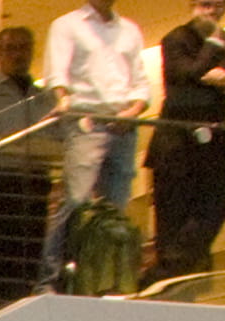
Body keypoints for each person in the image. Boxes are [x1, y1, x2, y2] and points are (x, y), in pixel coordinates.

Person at [149, 0, 225, 279]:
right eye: (206, 4)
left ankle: (168, 269)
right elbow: (184, 75)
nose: (212, 11)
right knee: (173, 215)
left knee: (217, 203)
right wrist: (212, 42)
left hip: (215, 140)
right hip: (176, 142)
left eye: (219, 5)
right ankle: (167, 274)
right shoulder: (175, 38)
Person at [0, 21, 70, 304]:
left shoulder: (46, 96)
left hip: (35, 182)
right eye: (10, 48)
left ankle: (21, 310)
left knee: (31, 254)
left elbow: (60, 138)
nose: (17, 54)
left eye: (24, 48)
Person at [49, 0, 159, 255]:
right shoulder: (67, 25)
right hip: (86, 121)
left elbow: (141, 84)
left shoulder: (130, 30)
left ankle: (102, 279)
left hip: (124, 125)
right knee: (77, 201)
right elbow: (58, 76)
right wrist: (63, 101)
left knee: (115, 209)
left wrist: (131, 113)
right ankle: (53, 277)